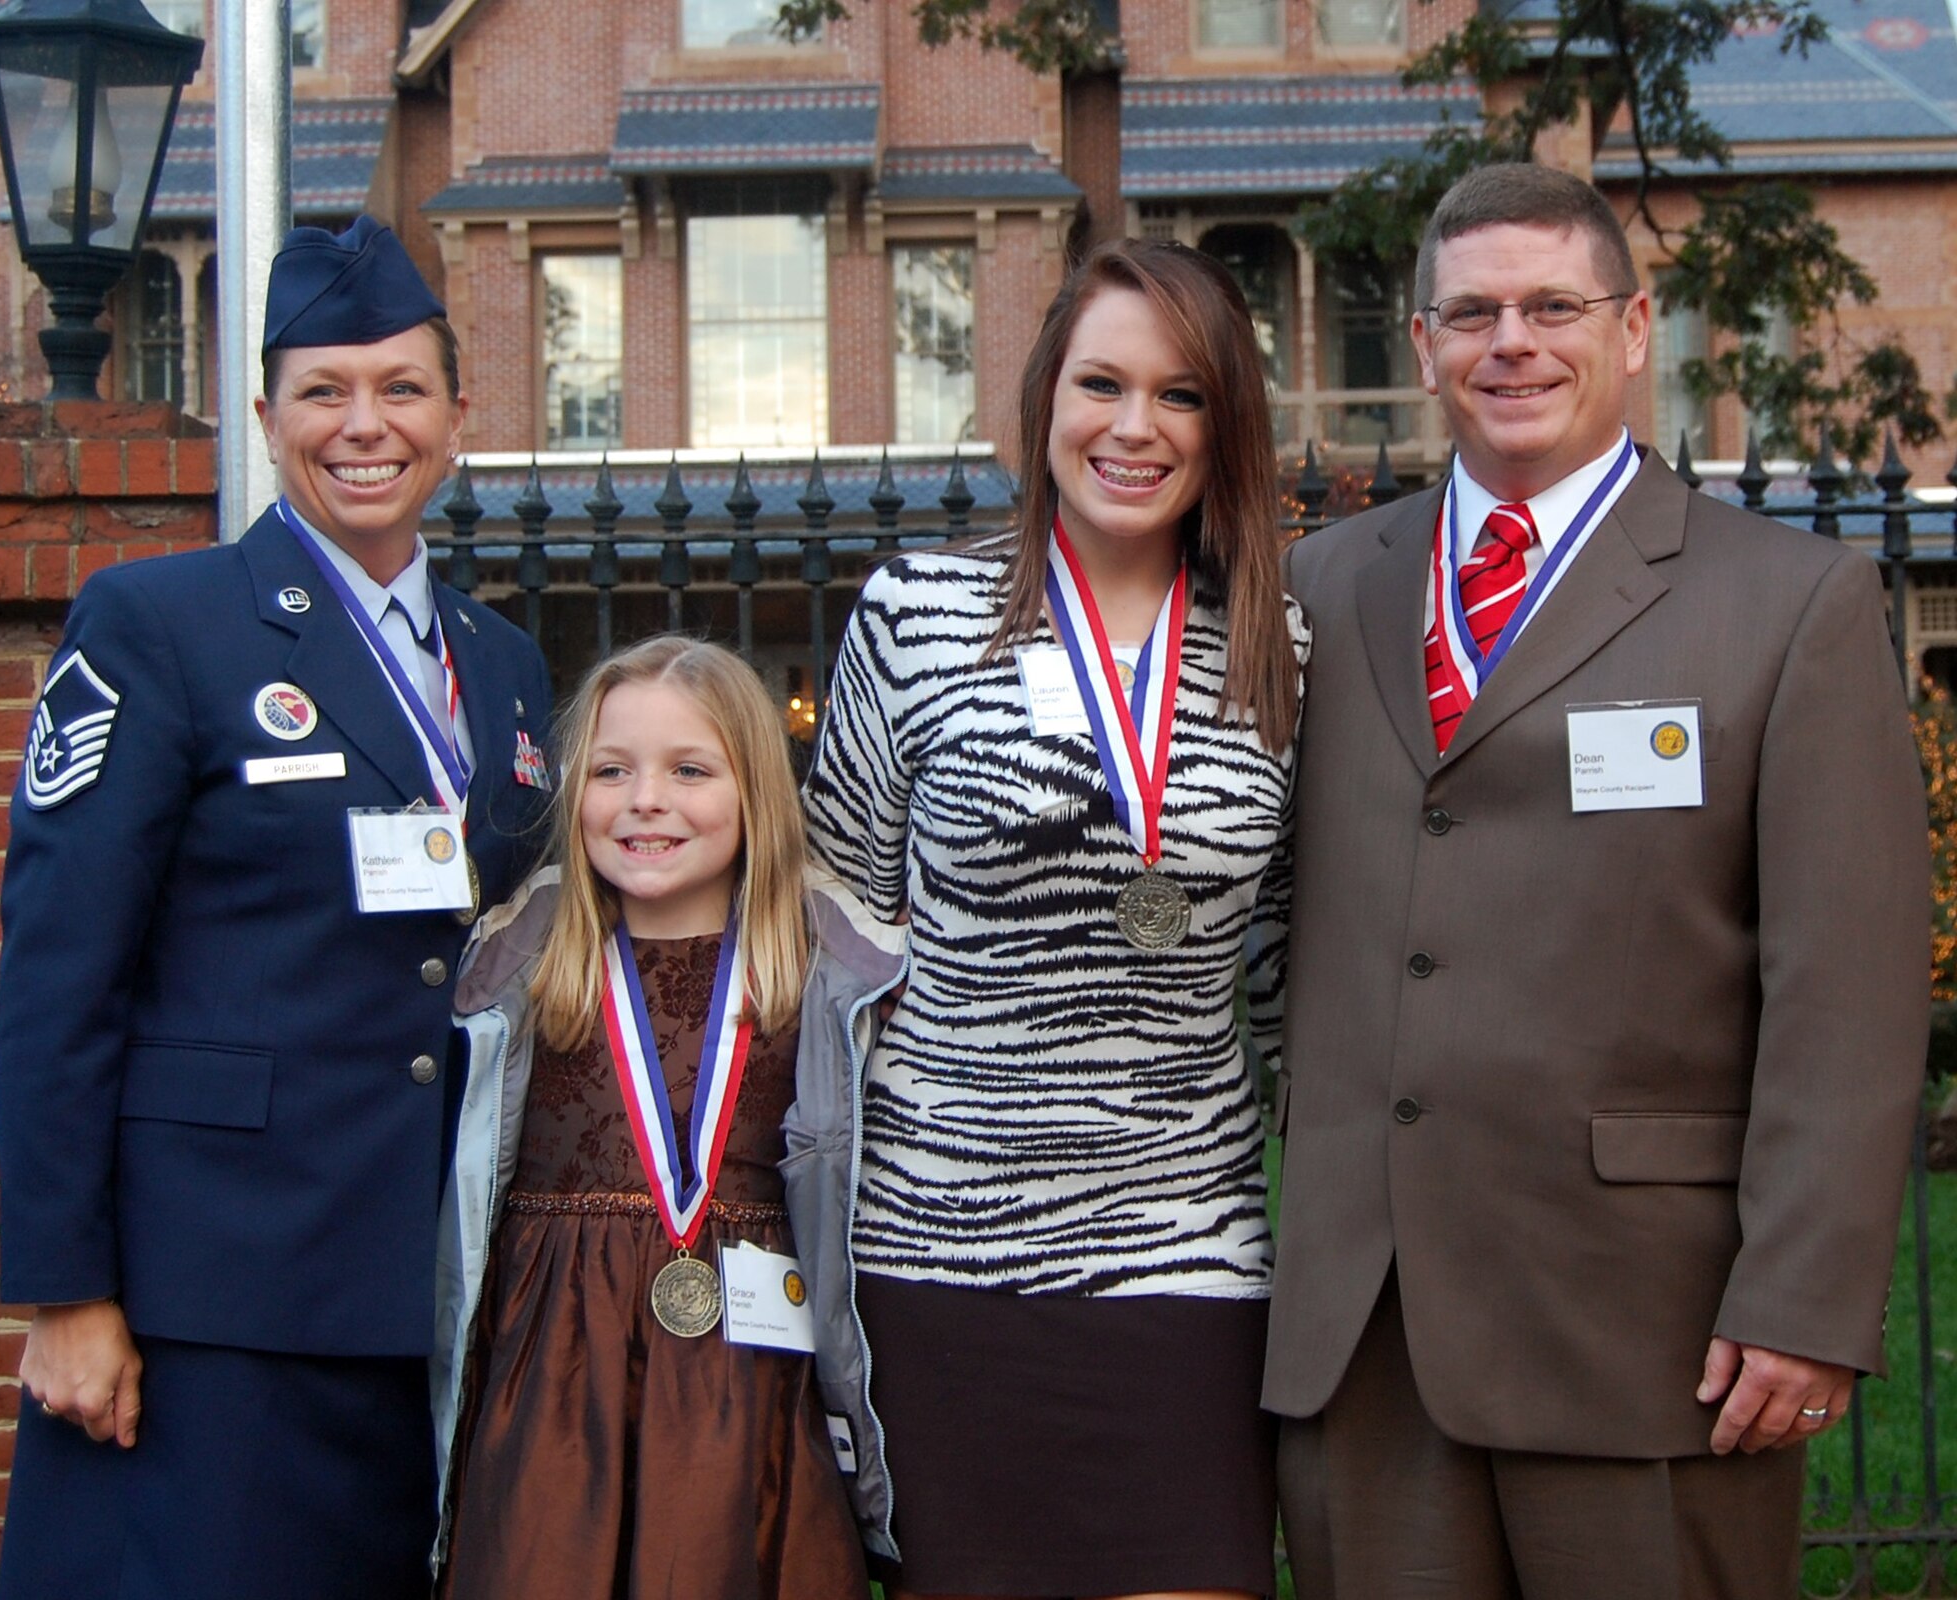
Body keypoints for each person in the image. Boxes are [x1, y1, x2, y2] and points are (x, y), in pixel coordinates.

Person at [1266, 161, 1929, 1600]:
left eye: (1553, 305)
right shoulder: (1317, 589)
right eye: (1474, 311)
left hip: (1650, 1332)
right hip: (1365, 1337)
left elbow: (1850, 987)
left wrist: (1806, 1301)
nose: (1513, 341)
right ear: (1428, 342)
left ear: (1634, 331)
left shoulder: (1785, 606)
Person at [0, 216, 554, 1600]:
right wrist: (67, 1294)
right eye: (324, 391)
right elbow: (62, 973)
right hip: (213, 1310)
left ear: (458, 415)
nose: (366, 425)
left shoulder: (510, 664)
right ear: (266, 413)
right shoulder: (160, 625)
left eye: (402, 389)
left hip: (437, 1300)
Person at [800, 238, 1308, 1599]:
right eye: (1102, 383)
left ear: (1228, 425)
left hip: (1185, 1250)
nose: (1135, 428)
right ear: (1043, 400)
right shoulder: (916, 614)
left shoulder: (1282, 645)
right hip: (941, 1247)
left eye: (1183, 395)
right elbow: (831, 938)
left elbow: (1288, 974)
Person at [432, 637, 866, 1600]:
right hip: (555, 1380)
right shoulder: (523, 964)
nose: (646, 801)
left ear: (754, 787)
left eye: (690, 771)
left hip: (753, 1385)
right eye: (612, 771)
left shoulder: (826, 973)